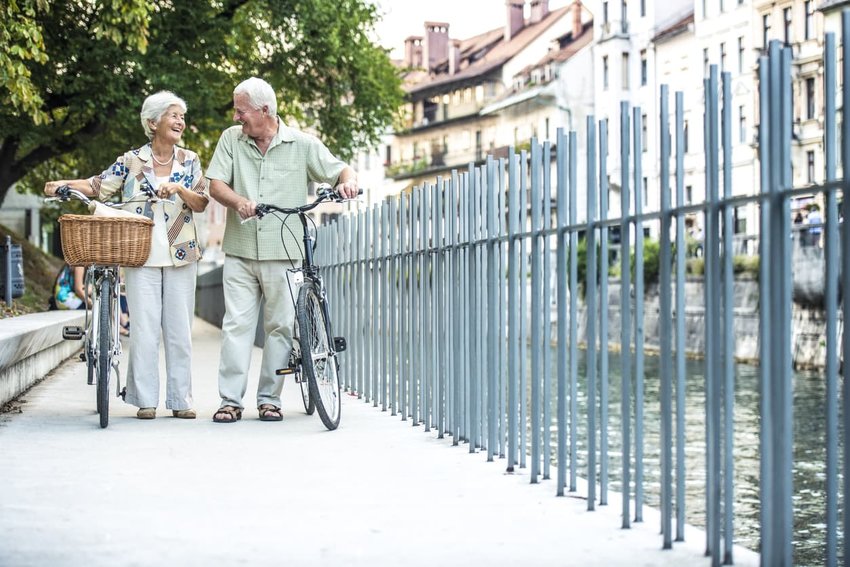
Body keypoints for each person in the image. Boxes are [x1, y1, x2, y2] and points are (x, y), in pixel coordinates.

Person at [44, 91, 209, 420]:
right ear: (153, 122)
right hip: (140, 253)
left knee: (178, 331)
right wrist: (63, 182)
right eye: (173, 115)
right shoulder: (132, 160)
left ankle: (181, 400)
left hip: (181, 254)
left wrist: (178, 189)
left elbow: (202, 201)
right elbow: (99, 185)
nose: (181, 121)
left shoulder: (189, 160)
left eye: (182, 116)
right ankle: (145, 400)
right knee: (144, 330)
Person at [206, 77, 358, 423]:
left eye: (241, 110)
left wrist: (348, 183)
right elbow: (215, 184)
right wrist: (240, 201)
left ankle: (268, 400)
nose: (236, 117)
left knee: (280, 328)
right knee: (237, 325)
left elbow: (340, 170)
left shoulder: (302, 144)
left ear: (264, 110)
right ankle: (230, 400)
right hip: (241, 249)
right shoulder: (232, 140)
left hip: (284, 250)